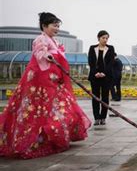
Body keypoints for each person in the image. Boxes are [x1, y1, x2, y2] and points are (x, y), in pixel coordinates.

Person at [0, 13, 91, 159]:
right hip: (41, 81)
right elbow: (39, 53)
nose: (57, 28)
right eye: (54, 25)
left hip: (53, 81)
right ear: (44, 26)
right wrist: (48, 56)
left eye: (58, 26)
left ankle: (55, 136)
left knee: (60, 107)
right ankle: (38, 140)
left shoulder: (54, 41)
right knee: (39, 110)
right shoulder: (40, 39)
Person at [88, 30, 115, 126]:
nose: (105, 40)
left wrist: (104, 73)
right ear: (98, 38)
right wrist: (96, 73)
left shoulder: (110, 48)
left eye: (107, 38)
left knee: (105, 97)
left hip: (106, 77)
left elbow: (111, 63)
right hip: (94, 77)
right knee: (95, 97)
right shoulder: (92, 48)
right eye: (103, 38)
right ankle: (96, 118)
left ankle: (103, 117)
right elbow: (91, 62)